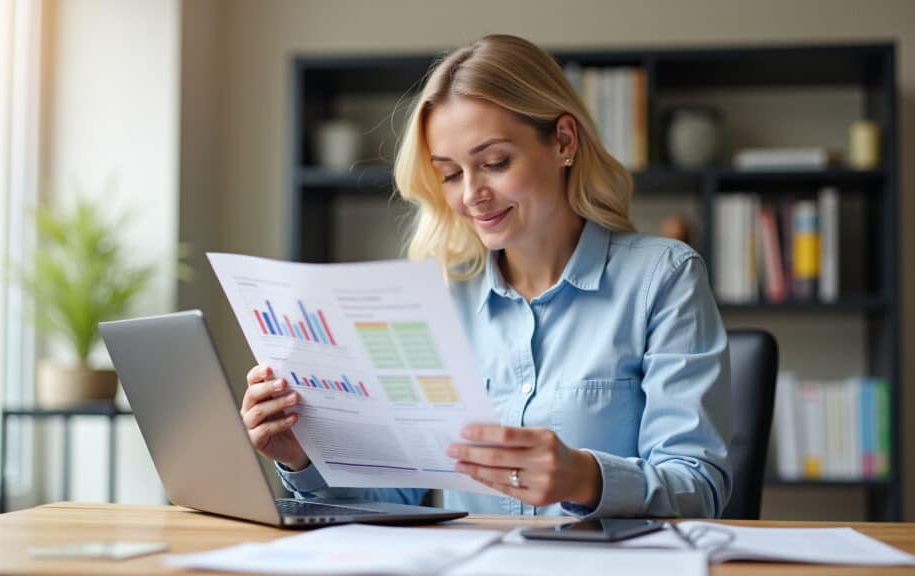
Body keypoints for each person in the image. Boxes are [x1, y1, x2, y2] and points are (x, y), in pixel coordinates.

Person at [240, 34, 732, 518]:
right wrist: (300, 457)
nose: (471, 193)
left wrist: (583, 476)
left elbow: (700, 486)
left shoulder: (661, 279)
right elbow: (394, 498)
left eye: (494, 162)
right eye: (451, 174)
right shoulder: (437, 297)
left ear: (563, 141)